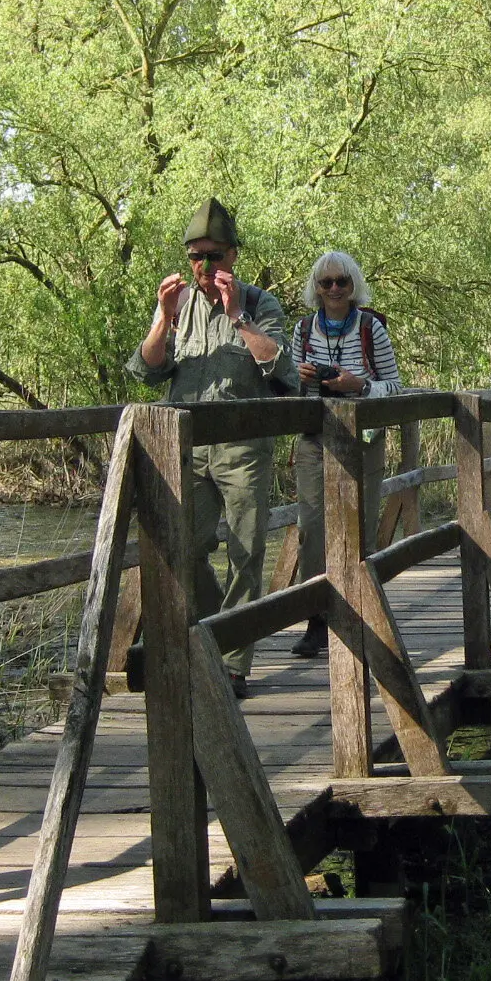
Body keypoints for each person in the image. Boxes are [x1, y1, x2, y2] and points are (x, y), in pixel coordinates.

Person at [127, 197, 298, 696]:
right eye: (195, 256)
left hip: (244, 446)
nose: (204, 266)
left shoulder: (261, 304)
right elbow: (146, 370)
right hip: (187, 447)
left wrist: (238, 317)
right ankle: (217, 634)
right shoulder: (177, 304)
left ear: (233, 256)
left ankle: (234, 664)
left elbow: (281, 370)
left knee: (247, 551)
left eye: (214, 256)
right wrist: (162, 317)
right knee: (186, 545)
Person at [288, 251, 402, 658]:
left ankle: (361, 617)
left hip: (362, 439)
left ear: (354, 285)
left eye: (342, 282)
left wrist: (359, 385)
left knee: (360, 525)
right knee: (312, 527)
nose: (334, 289)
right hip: (315, 438)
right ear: (316, 289)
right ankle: (318, 620)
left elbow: (395, 386)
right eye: (326, 283)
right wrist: (301, 379)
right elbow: (289, 391)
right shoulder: (303, 329)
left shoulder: (371, 328)